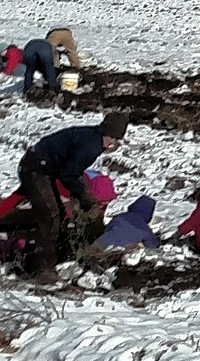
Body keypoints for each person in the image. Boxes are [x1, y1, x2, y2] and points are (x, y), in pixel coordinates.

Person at [16, 113, 129, 279]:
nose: (113, 144)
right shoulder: (91, 146)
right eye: (113, 138)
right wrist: (83, 195)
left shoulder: (93, 138)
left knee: (60, 213)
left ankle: (50, 256)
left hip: (49, 168)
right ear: (109, 134)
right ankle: (41, 268)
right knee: (50, 214)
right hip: (35, 169)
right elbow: (69, 174)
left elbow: (73, 171)